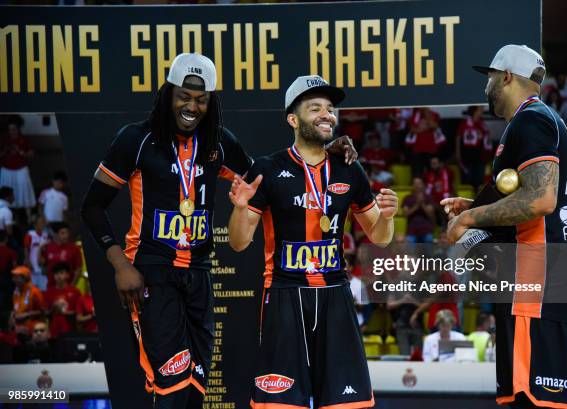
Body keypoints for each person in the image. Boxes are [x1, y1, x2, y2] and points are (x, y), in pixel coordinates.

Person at [80, 54, 357, 409]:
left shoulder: (218, 142)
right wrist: (121, 266)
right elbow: (92, 206)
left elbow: (268, 180)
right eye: (184, 96)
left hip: (199, 275)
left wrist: (320, 152)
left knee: (196, 386)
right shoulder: (136, 140)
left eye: (201, 99)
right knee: (170, 386)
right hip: (151, 273)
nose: (192, 106)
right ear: (168, 94)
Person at [227, 75, 398, 409]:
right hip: (284, 295)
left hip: (336, 295)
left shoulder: (349, 169)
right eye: (315, 107)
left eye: (330, 109)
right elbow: (238, 243)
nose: (326, 114)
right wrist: (237, 210)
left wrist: (388, 216)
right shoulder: (268, 168)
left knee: (346, 404)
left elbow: (380, 237)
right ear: (293, 119)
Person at [446, 45, 567, 408]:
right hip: (546, 277)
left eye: (490, 77)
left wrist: (468, 219)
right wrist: (476, 205)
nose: (486, 86)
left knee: (530, 399)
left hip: (534, 282)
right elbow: (526, 196)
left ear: (505, 76)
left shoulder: (531, 119)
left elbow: (540, 200)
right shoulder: (539, 120)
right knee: (542, 399)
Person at [0, 115, 36, 221]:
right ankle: (9, 217)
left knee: (24, 191)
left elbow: (31, 154)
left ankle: (28, 217)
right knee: (6, 192)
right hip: (7, 170)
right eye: (10, 129)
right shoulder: (4, 139)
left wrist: (21, 152)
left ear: (18, 129)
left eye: (14, 129)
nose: (12, 131)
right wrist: (4, 152)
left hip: (21, 169)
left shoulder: (23, 139)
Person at [456, 106, 492, 190]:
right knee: (468, 180)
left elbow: (486, 139)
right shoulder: (465, 123)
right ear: (475, 111)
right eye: (480, 109)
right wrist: (457, 153)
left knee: (479, 180)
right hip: (467, 155)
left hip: (480, 156)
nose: (482, 111)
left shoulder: (482, 123)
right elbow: (458, 137)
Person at [39, 222, 82, 287]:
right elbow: (43, 269)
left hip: (68, 286)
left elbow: (78, 269)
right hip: (51, 287)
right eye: (62, 233)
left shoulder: (74, 248)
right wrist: (39, 250)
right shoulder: (48, 247)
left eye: (67, 233)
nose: (66, 235)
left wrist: (71, 286)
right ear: (55, 234)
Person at [45, 262, 81, 339]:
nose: (58, 276)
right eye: (56, 273)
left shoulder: (75, 291)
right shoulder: (49, 292)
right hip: (54, 331)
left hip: (71, 331)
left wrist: (64, 313)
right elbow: (46, 313)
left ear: (67, 275)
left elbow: (79, 313)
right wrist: (53, 309)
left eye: (61, 273)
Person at [9, 265, 46, 340]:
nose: (14, 279)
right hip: (18, 327)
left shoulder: (35, 292)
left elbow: (44, 312)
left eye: (17, 277)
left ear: (25, 278)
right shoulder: (15, 292)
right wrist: (12, 315)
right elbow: (16, 309)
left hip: (33, 327)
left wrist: (27, 314)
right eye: (14, 277)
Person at [402, 177, 436, 243]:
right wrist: (417, 205)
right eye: (415, 184)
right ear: (412, 186)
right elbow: (405, 214)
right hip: (412, 231)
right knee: (410, 252)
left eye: (419, 183)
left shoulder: (429, 198)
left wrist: (422, 204)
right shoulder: (407, 198)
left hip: (426, 231)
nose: (417, 186)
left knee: (428, 248)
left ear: (423, 185)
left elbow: (430, 214)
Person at [23, 215, 49, 290]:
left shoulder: (45, 235)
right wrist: (28, 261)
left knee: (44, 288)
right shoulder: (30, 234)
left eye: (43, 223)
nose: (42, 224)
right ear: (35, 225)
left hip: (41, 265)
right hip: (32, 264)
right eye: (40, 223)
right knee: (32, 288)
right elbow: (26, 248)